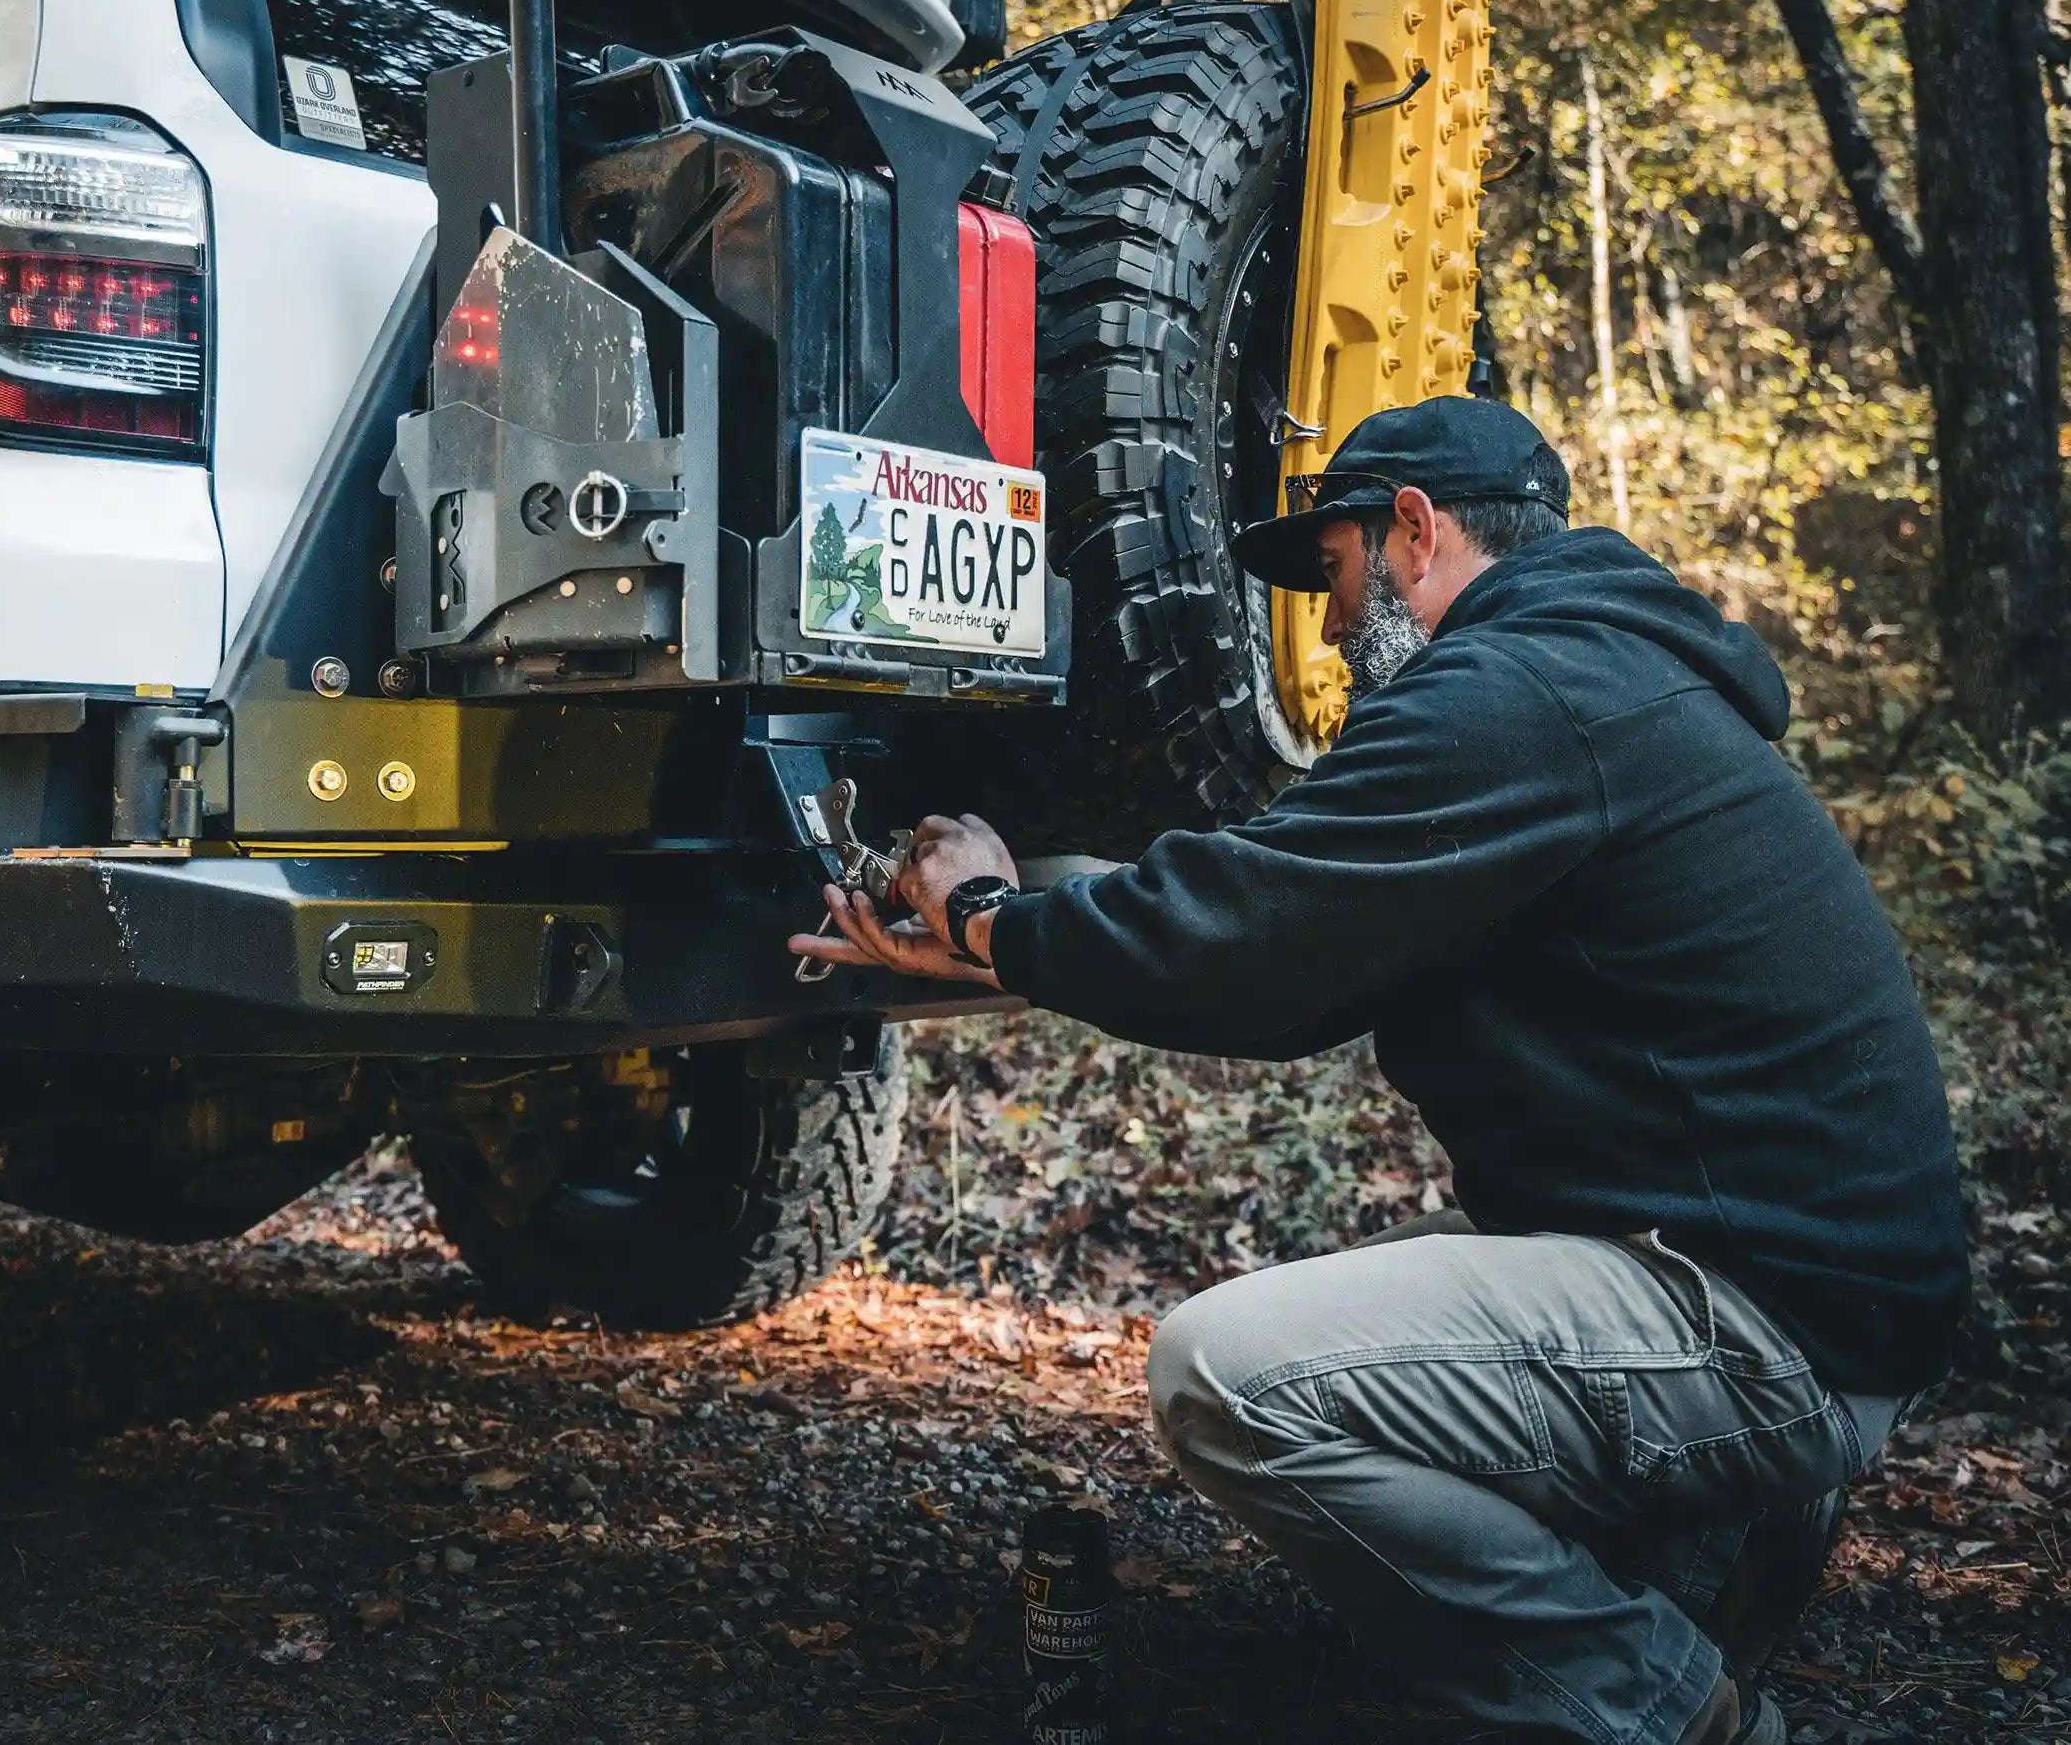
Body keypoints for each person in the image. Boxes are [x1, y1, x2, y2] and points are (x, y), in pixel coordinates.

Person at [788, 397, 1967, 1745]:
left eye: (1338, 575)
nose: (1334, 624)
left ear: (1414, 529)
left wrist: (992, 911)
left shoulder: (1517, 693)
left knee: (1229, 1373)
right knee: (1366, 1316)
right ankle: (1693, 1559)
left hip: (1764, 1327)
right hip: (1804, 1296)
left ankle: (1662, 1701)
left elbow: (1252, 927)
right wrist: (1026, 943)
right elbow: (1300, 947)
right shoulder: (1593, 678)